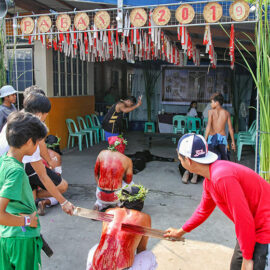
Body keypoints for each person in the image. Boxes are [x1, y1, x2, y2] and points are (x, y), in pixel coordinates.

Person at [164, 133, 270, 270]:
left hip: (264, 226)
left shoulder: (221, 177)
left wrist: (248, 258)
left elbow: (243, 218)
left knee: (250, 265)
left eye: (180, 159)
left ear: (188, 161)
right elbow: (203, 210)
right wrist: (180, 231)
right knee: (236, 266)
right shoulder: (210, 179)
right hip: (251, 227)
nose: (180, 162)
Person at [0, 89, 74, 215]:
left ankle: (31, 198)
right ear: (40, 114)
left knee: (27, 203)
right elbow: (43, 176)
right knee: (57, 186)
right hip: (15, 227)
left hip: (10, 164)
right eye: (46, 114)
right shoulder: (30, 134)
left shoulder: (18, 120)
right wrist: (63, 202)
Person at [0, 111, 48, 270]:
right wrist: (28, 221)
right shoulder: (17, 172)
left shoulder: (4, 161)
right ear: (29, 142)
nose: (38, 147)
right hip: (21, 238)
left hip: (6, 235)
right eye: (37, 142)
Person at [86, 184, 157, 270]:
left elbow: (106, 241)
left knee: (96, 247)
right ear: (141, 202)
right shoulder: (144, 218)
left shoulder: (110, 211)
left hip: (96, 266)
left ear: (121, 200)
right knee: (149, 256)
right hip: (122, 268)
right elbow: (141, 249)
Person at [93, 136, 134, 211]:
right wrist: (120, 175)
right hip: (115, 196)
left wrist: (100, 186)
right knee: (132, 183)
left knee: (101, 179)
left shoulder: (101, 153)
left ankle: (98, 204)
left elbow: (96, 173)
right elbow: (128, 180)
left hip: (100, 194)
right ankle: (119, 205)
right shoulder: (127, 160)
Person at [205, 92, 236, 160]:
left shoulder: (211, 112)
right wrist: (233, 141)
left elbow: (208, 126)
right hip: (222, 138)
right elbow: (231, 129)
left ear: (217, 103)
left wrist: (205, 139)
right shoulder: (226, 113)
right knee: (224, 158)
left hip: (212, 137)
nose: (211, 104)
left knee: (211, 158)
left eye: (212, 102)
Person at [37, 135, 63, 216]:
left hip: (35, 186)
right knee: (57, 197)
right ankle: (44, 202)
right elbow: (58, 174)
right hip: (48, 186)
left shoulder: (38, 154)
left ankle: (35, 199)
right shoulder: (57, 156)